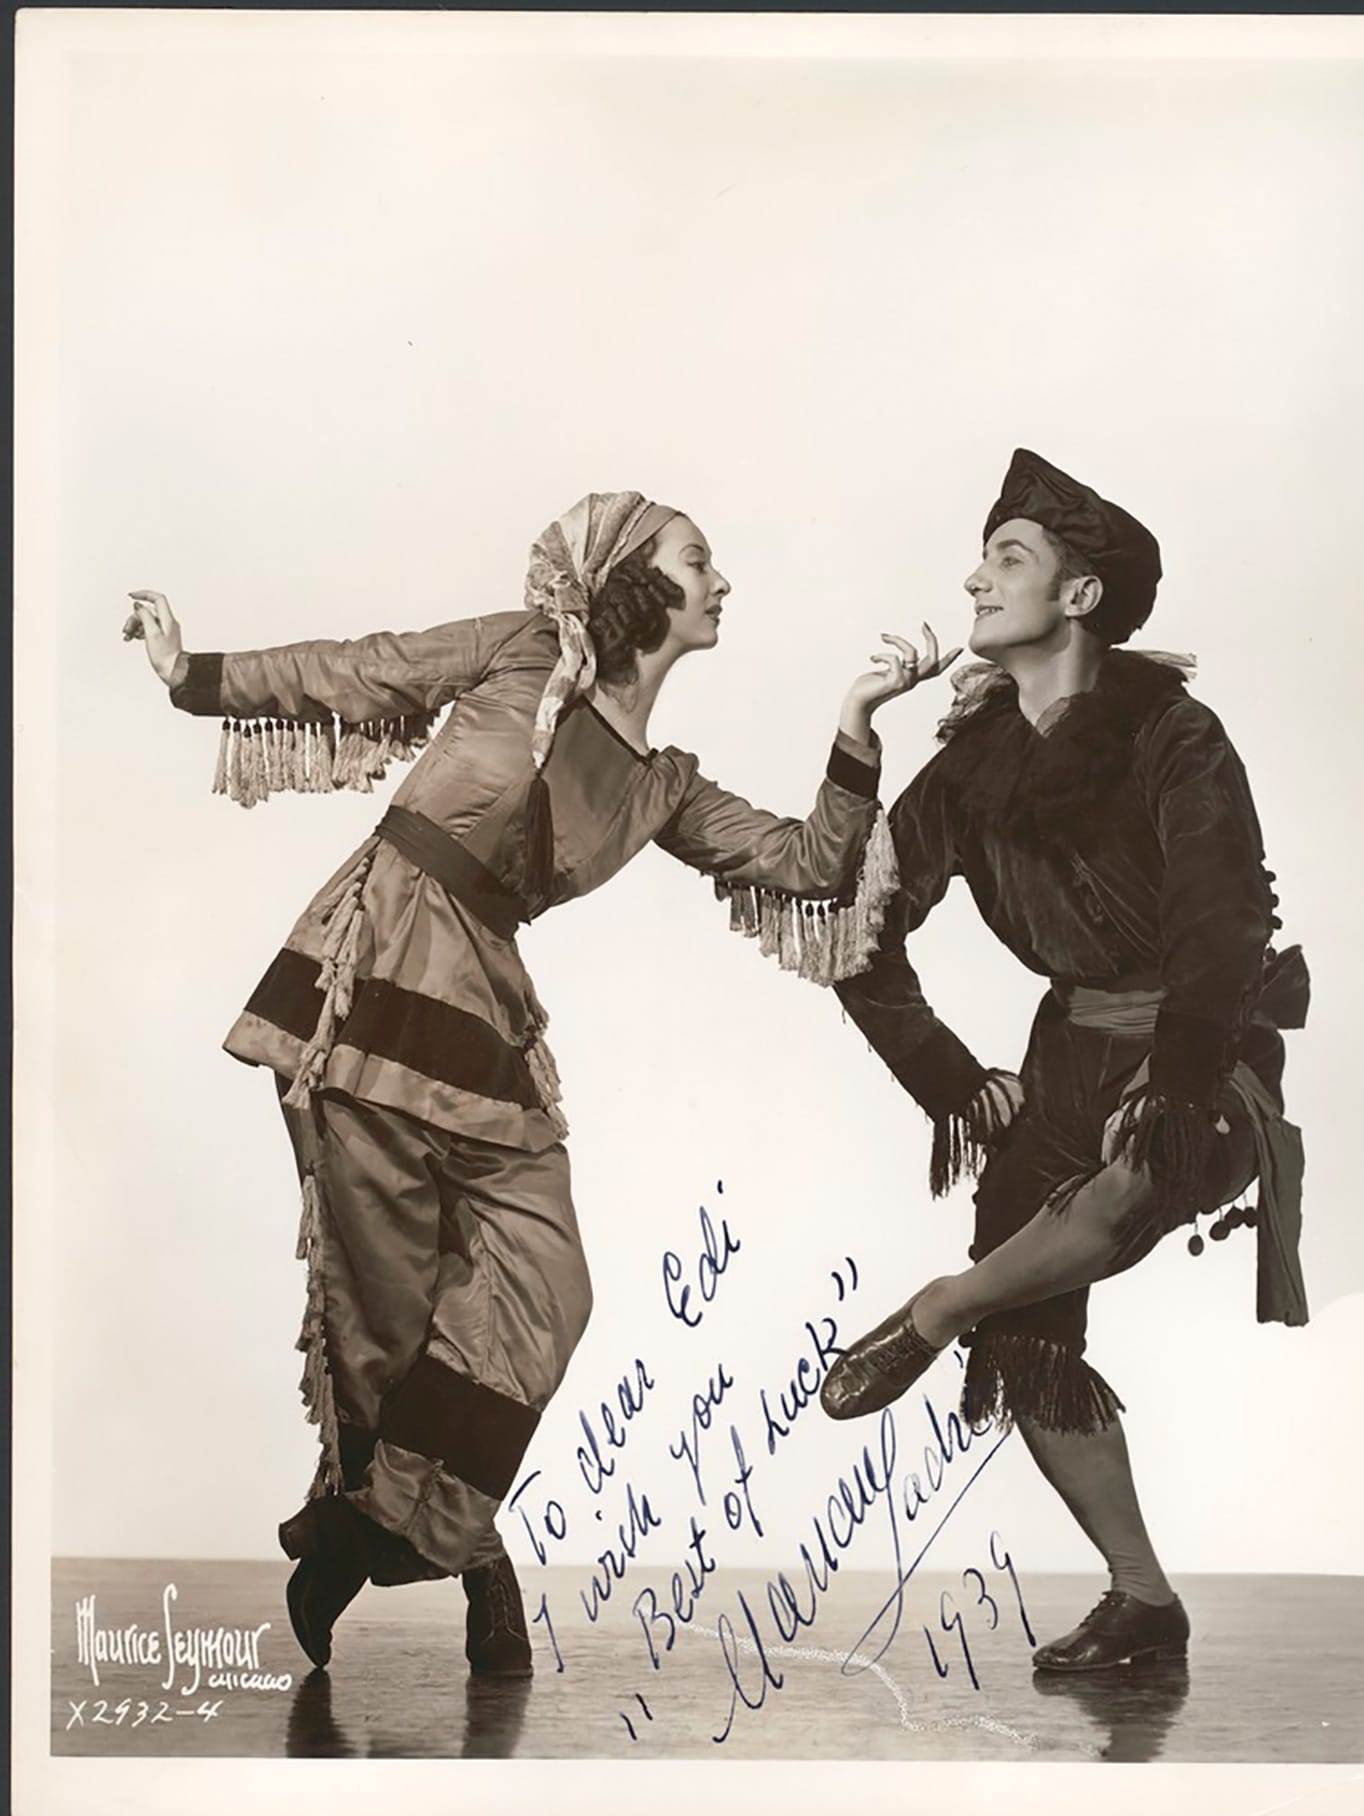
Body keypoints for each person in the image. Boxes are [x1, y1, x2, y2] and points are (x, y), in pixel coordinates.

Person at [124, 491, 957, 1677]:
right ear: (635, 582)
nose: (722, 580)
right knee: (388, 1317)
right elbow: (364, 669)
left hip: (483, 1014)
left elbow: (809, 864)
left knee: (544, 1287)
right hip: (371, 981)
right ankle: (470, 1561)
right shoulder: (522, 649)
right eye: (699, 560)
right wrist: (190, 672)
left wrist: (857, 719)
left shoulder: (662, 782)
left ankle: (367, 1532)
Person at [823, 450, 1309, 1672]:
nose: (974, 581)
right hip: (1063, 1060)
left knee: (1129, 1175)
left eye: (1007, 558)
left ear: (1079, 595)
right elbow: (854, 926)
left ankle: (933, 1308)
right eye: (981, 558)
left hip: (1203, 1042)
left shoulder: (1174, 734)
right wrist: (948, 1076)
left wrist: (1178, 1071)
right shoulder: (965, 768)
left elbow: (1219, 922)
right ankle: (1143, 1600)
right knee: (1027, 1340)